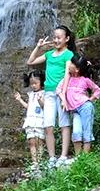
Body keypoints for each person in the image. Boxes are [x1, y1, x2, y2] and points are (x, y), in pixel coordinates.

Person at [26, 26, 76, 164]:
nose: (56, 40)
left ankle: (63, 156)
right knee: (48, 125)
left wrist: (64, 94)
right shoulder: (49, 54)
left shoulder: (68, 54)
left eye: (59, 37)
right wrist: (38, 46)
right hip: (48, 93)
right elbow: (30, 62)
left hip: (60, 93)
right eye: (55, 37)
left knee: (64, 124)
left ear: (67, 39)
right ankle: (52, 157)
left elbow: (67, 74)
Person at [56, 55, 100, 154]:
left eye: (72, 63)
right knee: (76, 132)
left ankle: (84, 159)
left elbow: (97, 90)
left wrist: (90, 99)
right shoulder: (68, 79)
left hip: (85, 107)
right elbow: (58, 89)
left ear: (77, 69)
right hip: (75, 110)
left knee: (87, 132)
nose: (69, 64)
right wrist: (63, 100)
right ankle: (78, 158)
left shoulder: (85, 80)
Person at [14, 69, 45, 169]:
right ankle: (34, 162)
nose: (33, 86)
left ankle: (40, 162)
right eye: (31, 84)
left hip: (40, 120)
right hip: (30, 121)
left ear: (41, 82)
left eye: (36, 83)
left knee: (40, 142)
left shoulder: (44, 93)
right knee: (31, 142)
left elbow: (45, 106)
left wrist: (40, 100)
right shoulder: (31, 94)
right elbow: (29, 107)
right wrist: (19, 100)